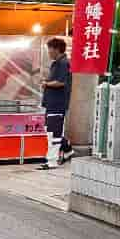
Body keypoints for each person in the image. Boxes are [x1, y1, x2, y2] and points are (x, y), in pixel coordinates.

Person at [39, 38, 72, 169]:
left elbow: (61, 82)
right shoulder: (56, 63)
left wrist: (46, 83)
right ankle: (68, 149)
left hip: (57, 103)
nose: (48, 52)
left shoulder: (63, 63)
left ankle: (51, 161)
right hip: (51, 103)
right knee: (50, 131)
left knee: (53, 133)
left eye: (49, 49)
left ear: (56, 49)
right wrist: (47, 82)